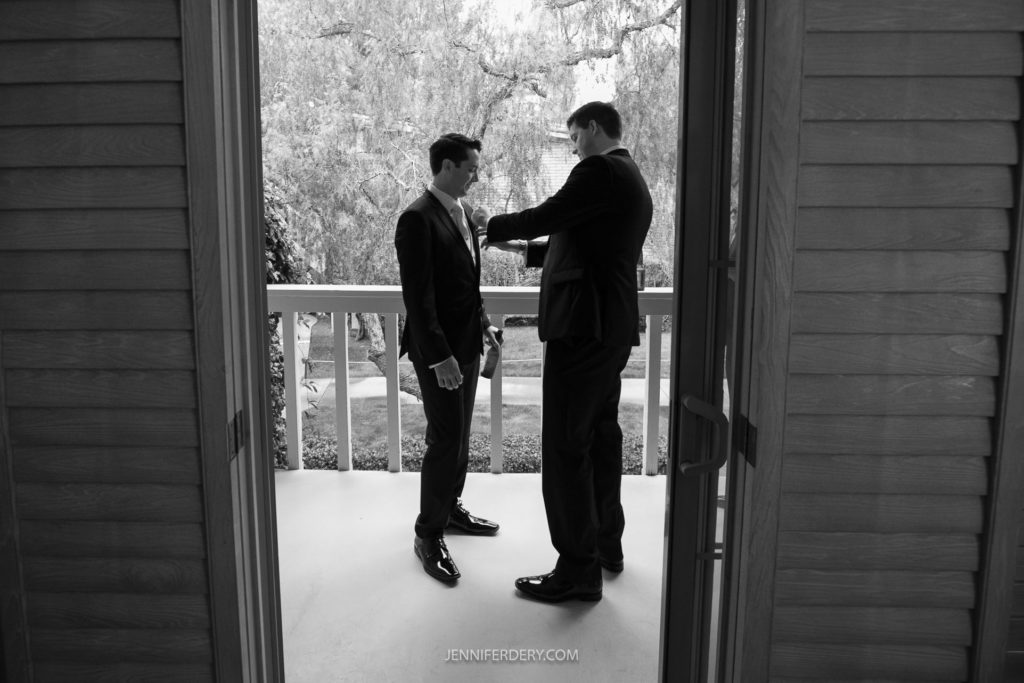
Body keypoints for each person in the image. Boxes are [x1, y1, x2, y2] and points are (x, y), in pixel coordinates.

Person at [474, 102, 653, 603]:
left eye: (574, 136)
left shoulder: (599, 169)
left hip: (583, 327)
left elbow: (551, 214)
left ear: (594, 129)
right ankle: (604, 546)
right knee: (599, 438)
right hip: (607, 328)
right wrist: (523, 251)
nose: (573, 146)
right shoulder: (628, 175)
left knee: (565, 448)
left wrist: (491, 225)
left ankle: (578, 571)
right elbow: (583, 242)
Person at [395, 133, 502, 584]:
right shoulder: (416, 219)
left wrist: (485, 327)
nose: (477, 174)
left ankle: (450, 508)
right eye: (471, 167)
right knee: (445, 438)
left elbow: (465, 286)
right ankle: (428, 533)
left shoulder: (459, 214)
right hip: (439, 353)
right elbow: (418, 300)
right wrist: (440, 358)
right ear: (446, 166)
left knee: (460, 436)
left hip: (467, 345)